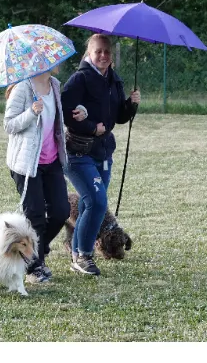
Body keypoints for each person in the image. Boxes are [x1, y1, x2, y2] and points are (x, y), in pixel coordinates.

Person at [61, 34, 141, 277]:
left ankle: (75, 252)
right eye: (99, 51)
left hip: (104, 152)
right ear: (89, 53)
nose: (104, 55)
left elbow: (118, 117)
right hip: (78, 153)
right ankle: (83, 255)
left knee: (89, 203)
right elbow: (64, 114)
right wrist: (90, 127)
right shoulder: (78, 80)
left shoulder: (114, 80)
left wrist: (131, 104)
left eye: (107, 51)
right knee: (97, 202)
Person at [4, 67, 69, 284]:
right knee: (35, 215)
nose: (55, 61)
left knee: (62, 211)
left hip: (52, 161)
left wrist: (79, 112)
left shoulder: (55, 85)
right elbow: (9, 124)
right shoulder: (22, 88)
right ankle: (34, 267)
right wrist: (31, 113)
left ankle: (36, 248)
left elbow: (57, 119)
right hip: (27, 164)